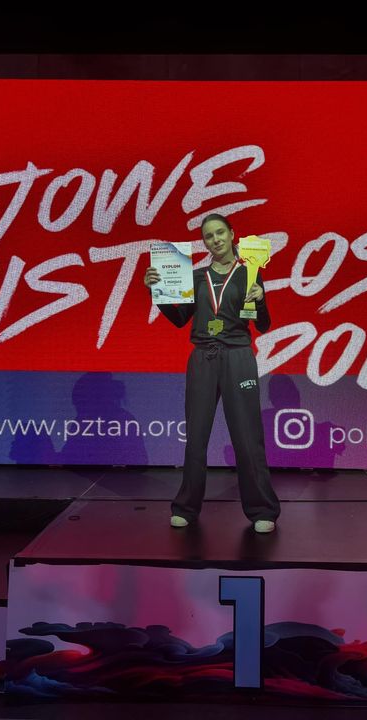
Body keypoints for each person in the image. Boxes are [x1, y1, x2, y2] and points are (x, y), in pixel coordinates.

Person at [144, 213, 280, 533]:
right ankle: (186, 508)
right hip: (202, 358)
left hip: (238, 357)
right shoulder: (195, 276)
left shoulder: (249, 273)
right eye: (209, 236)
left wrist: (261, 301)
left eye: (220, 232)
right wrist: (157, 291)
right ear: (204, 242)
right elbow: (180, 319)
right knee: (196, 437)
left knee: (247, 437)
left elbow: (263, 325)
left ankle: (262, 510)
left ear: (232, 234)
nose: (215, 239)